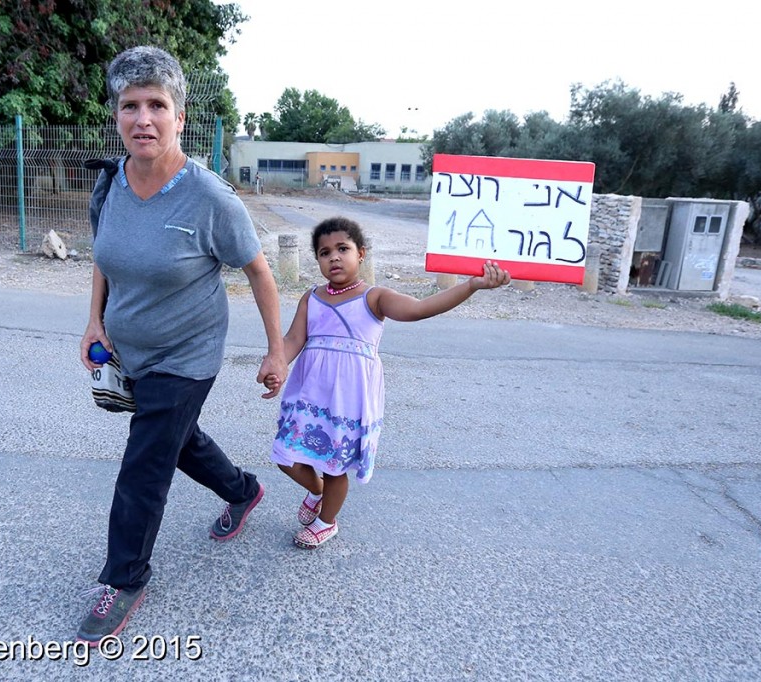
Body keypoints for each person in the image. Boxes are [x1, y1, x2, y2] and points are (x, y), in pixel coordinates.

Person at [76, 46, 288, 644]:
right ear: (117, 115)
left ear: (180, 115)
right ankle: (244, 491)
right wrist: (94, 321)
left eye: (157, 105)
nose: (143, 118)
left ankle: (124, 579)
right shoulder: (109, 185)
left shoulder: (211, 199)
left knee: (144, 462)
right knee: (177, 440)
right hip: (129, 351)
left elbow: (260, 273)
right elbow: (103, 259)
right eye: (130, 105)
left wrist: (276, 352)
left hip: (187, 356)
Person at [263, 216, 510, 549]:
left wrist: (470, 286)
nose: (333, 257)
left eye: (342, 249)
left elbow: (420, 309)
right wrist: (277, 362)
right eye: (324, 252)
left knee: (336, 467)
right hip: (309, 393)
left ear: (361, 253)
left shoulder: (374, 297)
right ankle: (317, 490)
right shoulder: (311, 297)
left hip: (348, 400)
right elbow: (294, 338)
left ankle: (326, 522)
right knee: (286, 456)